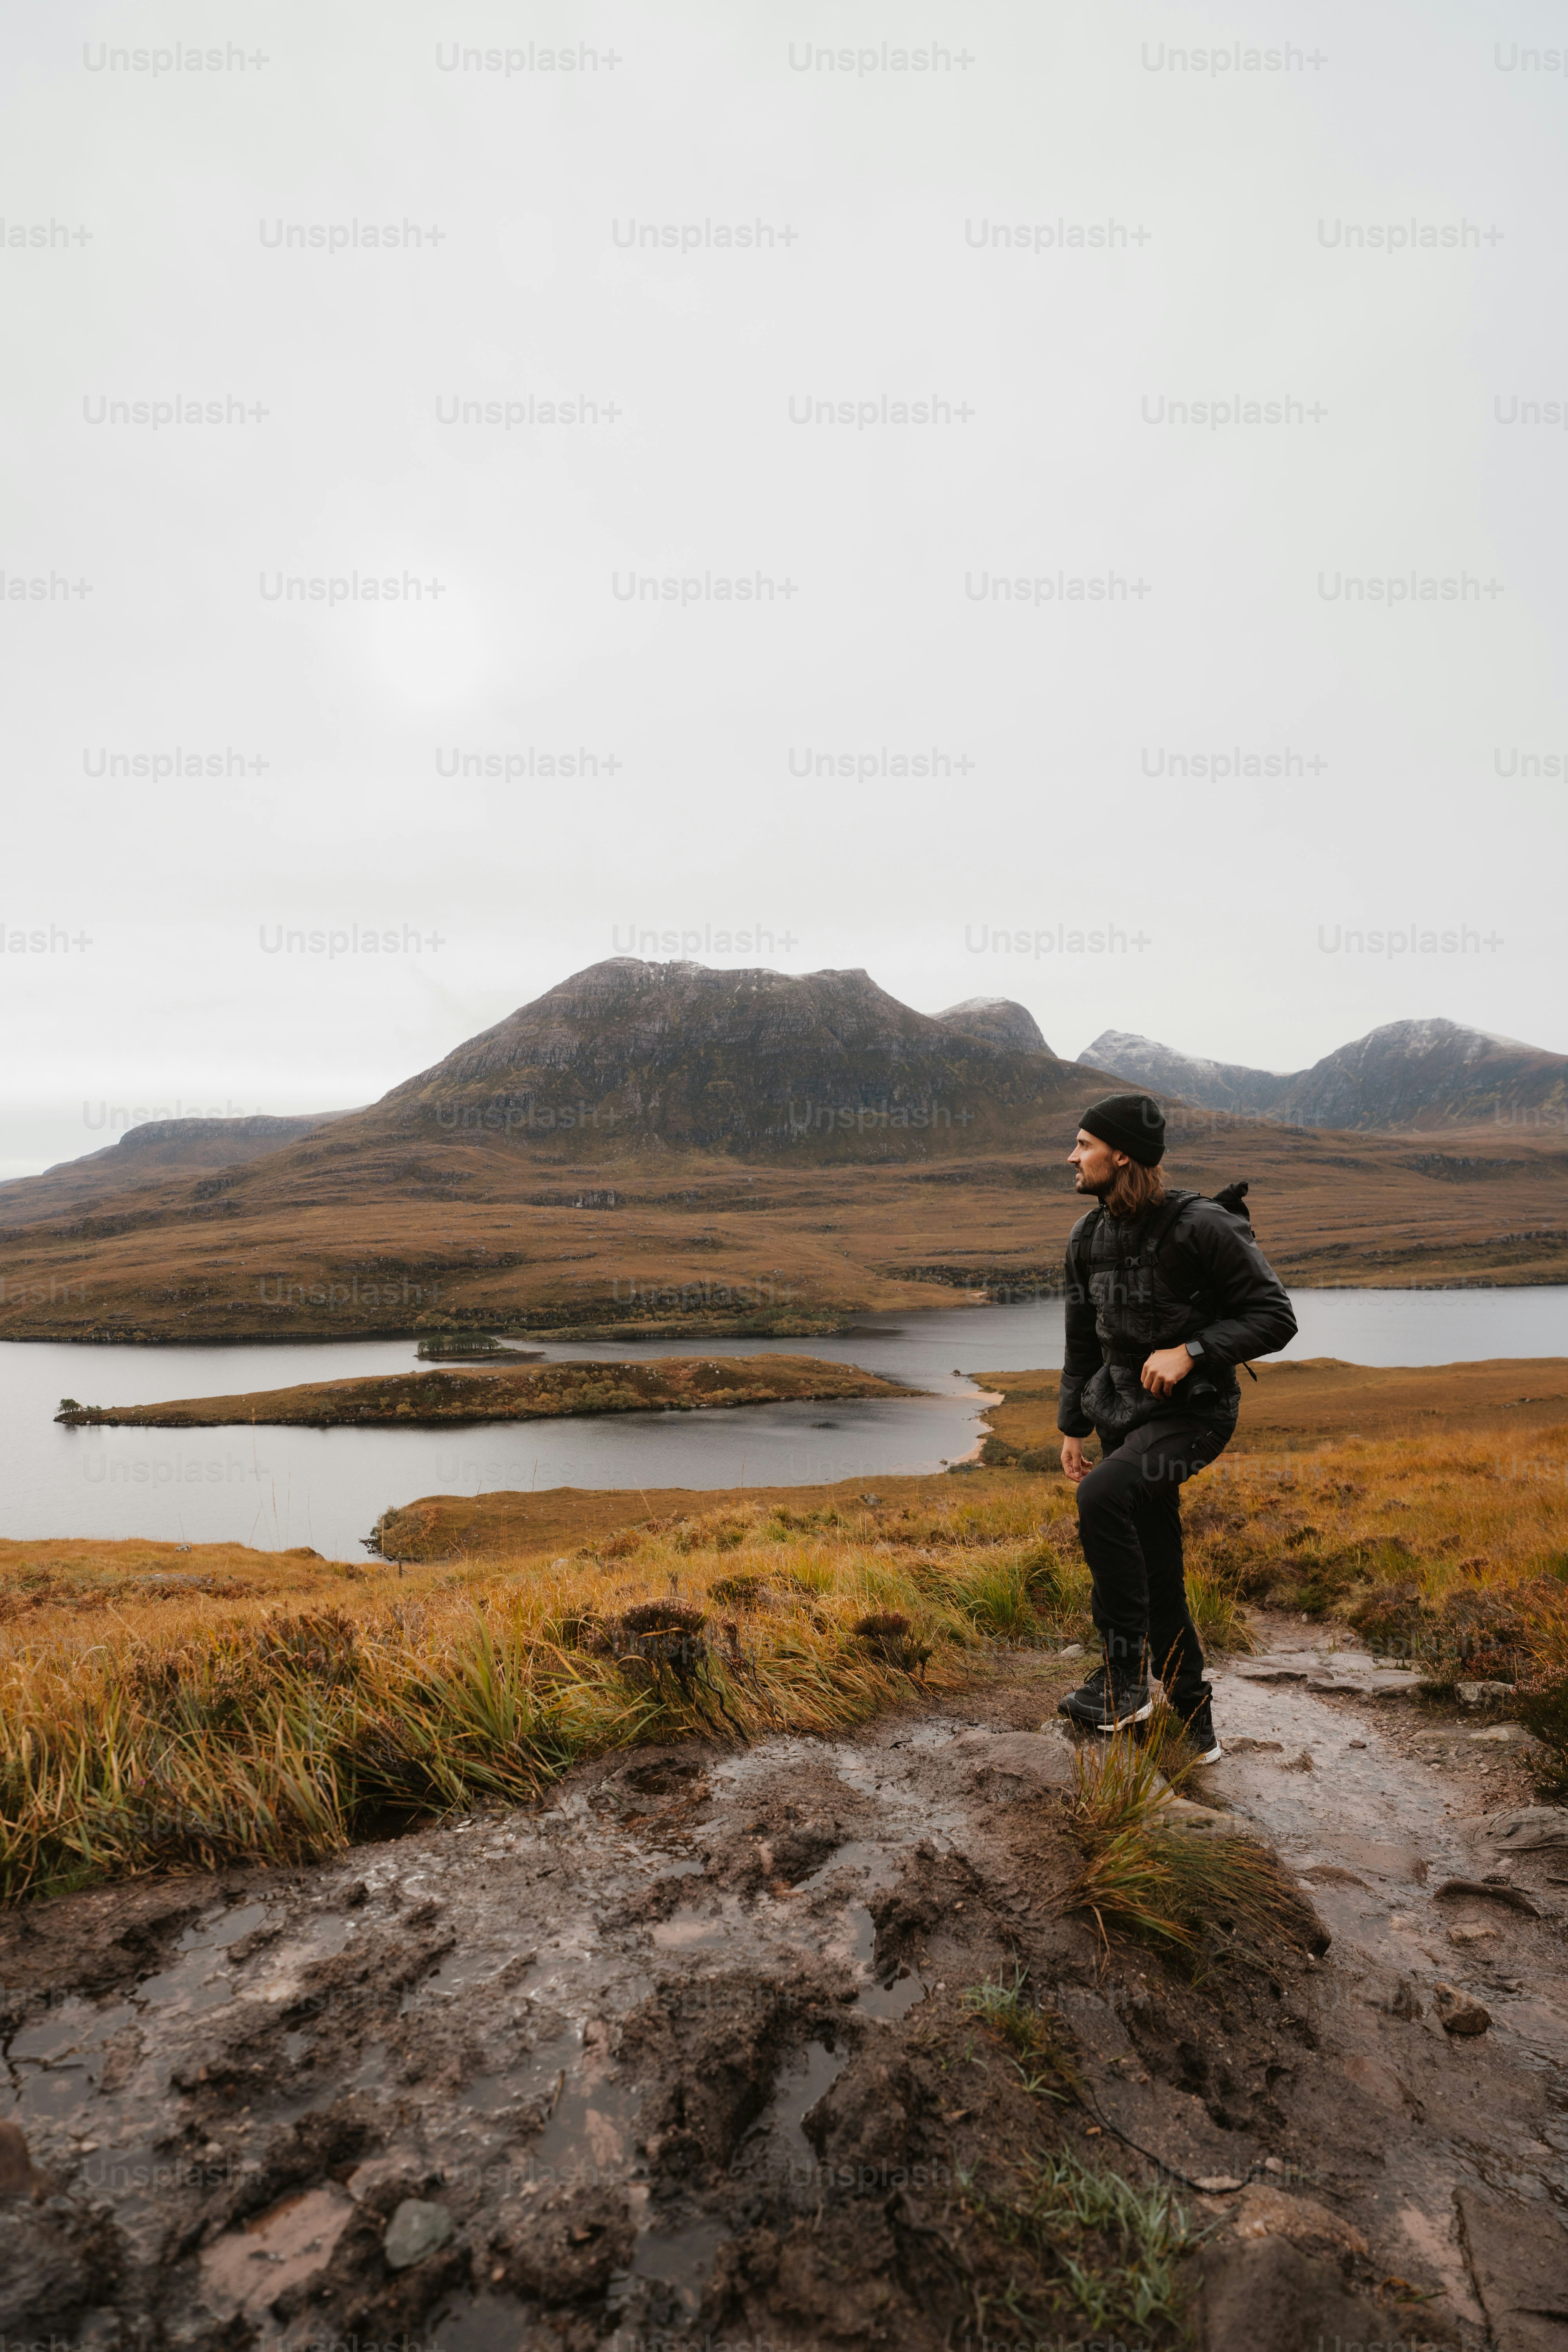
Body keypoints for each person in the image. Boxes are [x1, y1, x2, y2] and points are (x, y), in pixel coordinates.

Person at [1055, 1091, 1297, 1759]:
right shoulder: (1086, 1236)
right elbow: (1083, 1344)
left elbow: (1275, 1317)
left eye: (1084, 1144)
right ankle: (1195, 1724)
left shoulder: (1201, 1225)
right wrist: (1072, 1425)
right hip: (1121, 1418)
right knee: (1158, 1564)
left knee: (1102, 1497)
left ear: (1122, 1153)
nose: (1071, 1156)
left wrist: (1192, 1352)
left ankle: (1124, 1682)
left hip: (1195, 1415)